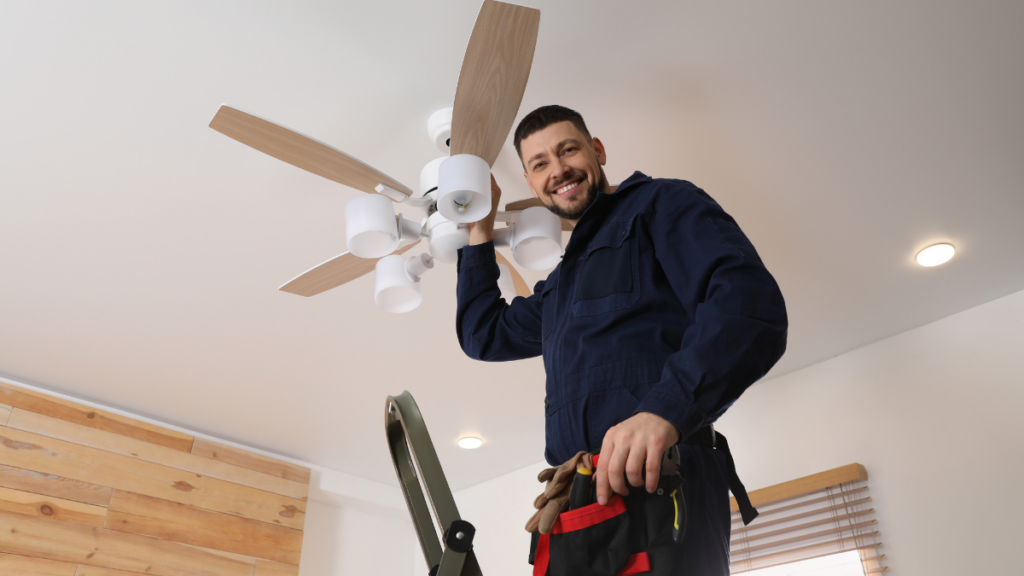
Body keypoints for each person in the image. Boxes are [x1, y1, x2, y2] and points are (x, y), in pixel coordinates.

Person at [455, 105, 788, 575]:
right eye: (540, 163)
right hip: (575, 501)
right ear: (530, 185)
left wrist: (666, 410)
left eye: (568, 149)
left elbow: (750, 306)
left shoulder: (661, 204)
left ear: (597, 150)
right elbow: (482, 335)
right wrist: (479, 229)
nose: (558, 169)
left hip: (658, 486)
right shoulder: (562, 284)